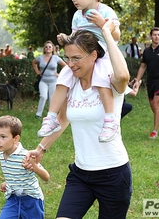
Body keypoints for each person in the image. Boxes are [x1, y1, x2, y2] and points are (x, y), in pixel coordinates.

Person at [24, 22, 132, 219]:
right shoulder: (71, 82)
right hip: (81, 174)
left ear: (93, 56)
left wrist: (106, 32)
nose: (70, 64)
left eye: (76, 58)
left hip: (113, 174)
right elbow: (63, 119)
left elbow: (124, 75)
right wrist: (40, 149)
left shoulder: (110, 83)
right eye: (67, 58)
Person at [37, 0, 121, 143]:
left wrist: (102, 25)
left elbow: (117, 36)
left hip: (103, 56)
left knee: (102, 82)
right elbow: (76, 38)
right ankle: (51, 117)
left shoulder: (105, 11)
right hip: (84, 55)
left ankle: (110, 121)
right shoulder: (77, 16)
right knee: (63, 78)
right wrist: (65, 39)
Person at [0, 115, 50, 219]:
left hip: (32, 201)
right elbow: (15, 172)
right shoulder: (1, 154)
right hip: (13, 200)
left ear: (15, 139)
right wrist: (8, 182)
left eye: (3, 137)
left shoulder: (25, 156)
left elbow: (46, 177)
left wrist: (35, 167)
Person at [133, 27, 159, 139]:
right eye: (155, 35)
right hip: (150, 82)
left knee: (157, 105)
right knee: (154, 108)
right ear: (151, 36)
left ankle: (155, 131)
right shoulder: (146, 51)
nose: (157, 37)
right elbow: (142, 67)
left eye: (158, 35)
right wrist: (137, 80)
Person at [32, 41, 66, 118]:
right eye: (46, 47)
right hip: (43, 81)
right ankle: (38, 114)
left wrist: (59, 74)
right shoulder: (40, 58)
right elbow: (34, 63)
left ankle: (51, 114)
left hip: (53, 81)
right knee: (43, 96)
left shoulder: (56, 58)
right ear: (44, 49)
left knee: (52, 97)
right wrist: (37, 71)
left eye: (49, 47)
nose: (48, 48)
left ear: (52, 49)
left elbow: (65, 66)